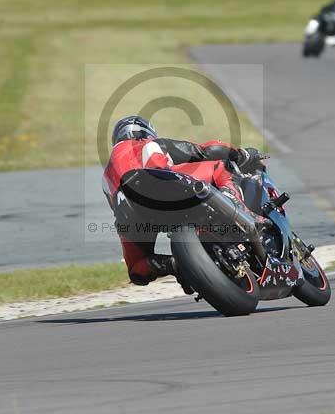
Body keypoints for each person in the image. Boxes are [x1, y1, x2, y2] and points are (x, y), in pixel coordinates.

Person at [101, 115, 266, 287]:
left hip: (129, 212)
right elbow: (203, 151)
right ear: (144, 131)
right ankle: (241, 209)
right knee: (223, 167)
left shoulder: (106, 176)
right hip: (159, 185)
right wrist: (243, 154)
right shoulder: (145, 144)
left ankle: (176, 265)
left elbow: (115, 206)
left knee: (137, 268)